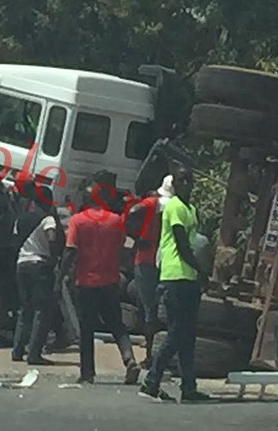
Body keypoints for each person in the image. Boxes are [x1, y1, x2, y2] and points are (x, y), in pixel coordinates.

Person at [138, 166, 211, 403]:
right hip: (175, 276)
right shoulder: (174, 207)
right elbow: (182, 244)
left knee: (187, 336)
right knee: (177, 332)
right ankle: (152, 380)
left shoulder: (191, 210)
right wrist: (201, 270)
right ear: (175, 185)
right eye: (181, 180)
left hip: (187, 278)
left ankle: (189, 388)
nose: (186, 184)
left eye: (188, 180)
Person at [58, 182, 140, 385]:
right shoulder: (115, 220)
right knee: (116, 324)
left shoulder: (78, 220)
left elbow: (70, 250)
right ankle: (129, 358)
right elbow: (122, 246)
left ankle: (87, 373)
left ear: (86, 200)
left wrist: (60, 277)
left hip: (86, 282)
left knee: (87, 328)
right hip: (110, 281)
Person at [123, 175, 174, 369]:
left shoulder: (152, 203)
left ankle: (151, 354)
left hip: (147, 260)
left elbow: (132, 212)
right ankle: (154, 353)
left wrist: (135, 237)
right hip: (165, 262)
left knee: (149, 310)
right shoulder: (176, 206)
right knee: (159, 309)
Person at [11, 182, 64, 365]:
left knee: (25, 309)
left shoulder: (20, 219)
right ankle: (34, 354)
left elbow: (15, 240)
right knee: (42, 310)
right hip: (39, 266)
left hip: (21, 265)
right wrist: (54, 258)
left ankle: (17, 350)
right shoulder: (47, 219)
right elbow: (52, 236)